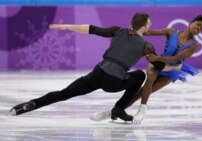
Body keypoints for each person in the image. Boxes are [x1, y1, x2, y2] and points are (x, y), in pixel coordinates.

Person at [10, 13, 165, 122]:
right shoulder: (147, 46)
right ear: (144, 26)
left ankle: (32, 104)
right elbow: (160, 65)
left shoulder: (117, 30)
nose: (150, 25)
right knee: (139, 75)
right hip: (114, 82)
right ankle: (119, 108)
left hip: (97, 75)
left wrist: (67, 26)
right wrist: (176, 65)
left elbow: (92, 29)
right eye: (149, 23)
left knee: (64, 93)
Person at [90, 15, 202, 124]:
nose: (198, 29)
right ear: (191, 22)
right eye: (197, 25)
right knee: (150, 78)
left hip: (172, 69)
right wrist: (134, 28)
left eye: (201, 29)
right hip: (158, 63)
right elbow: (147, 32)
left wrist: (157, 57)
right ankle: (125, 112)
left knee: (140, 93)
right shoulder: (171, 32)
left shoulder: (194, 45)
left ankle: (115, 112)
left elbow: (178, 57)